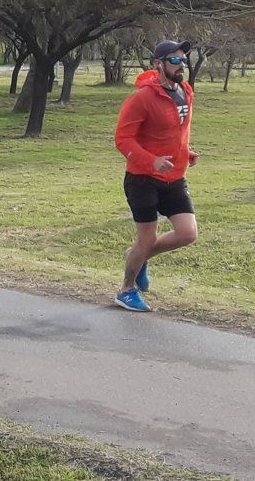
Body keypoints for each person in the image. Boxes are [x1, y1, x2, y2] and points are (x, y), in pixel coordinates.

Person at [112, 40, 199, 312]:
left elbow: (175, 132)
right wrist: (152, 160)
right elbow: (122, 139)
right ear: (158, 64)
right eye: (174, 60)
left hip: (174, 177)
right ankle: (126, 290)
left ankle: (139, 257)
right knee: (146, 239)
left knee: (187, 234)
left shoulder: (184, 91)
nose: (180, 65)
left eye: (183, 60)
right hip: (142, 179)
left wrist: (187, 152)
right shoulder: (142, 98)